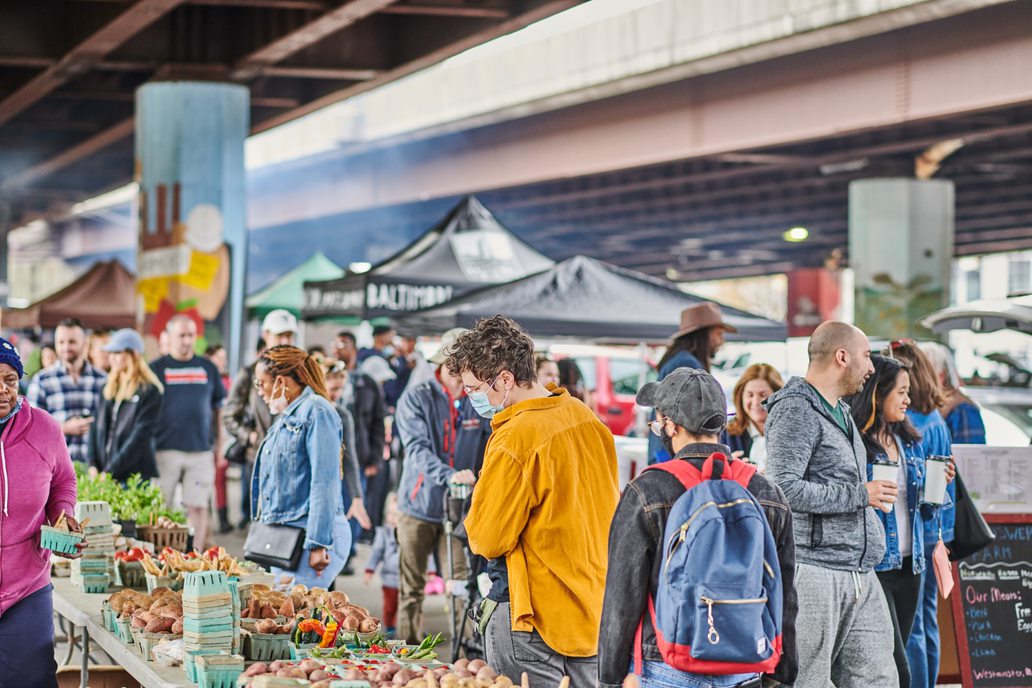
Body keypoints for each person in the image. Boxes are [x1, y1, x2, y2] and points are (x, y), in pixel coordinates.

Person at [598, 367, 798, 688]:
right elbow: (784, 593)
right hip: (745, 666)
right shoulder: (766, 492)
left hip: (665, 665)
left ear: (671, 426)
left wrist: (609, 678)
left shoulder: (646, 490)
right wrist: (782, 677)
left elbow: (621, 596)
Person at [447, 316, 619, 685]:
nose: (471, 398)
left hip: (531, 618)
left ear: (505, 379)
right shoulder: (588, 420)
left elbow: (487, 538)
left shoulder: (515, 438)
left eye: (474, 388)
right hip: (592, 610)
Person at [765, 321, 897, 688]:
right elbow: (783, 489)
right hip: (814, 572)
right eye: (867, 356)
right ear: (842, 357)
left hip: (859, 570)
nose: (872, 368)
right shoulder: (796, 409)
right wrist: (860, 494)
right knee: (808, 680)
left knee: (879, 678)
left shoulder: (840, 411)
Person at [844, 354, 954, 688]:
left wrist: (940, 487)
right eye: (901, 392)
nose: (908, 399)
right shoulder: (857, 444)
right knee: (898, 666)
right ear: (878, 394)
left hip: (912, 565)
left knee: (901, 651)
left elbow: (924, 512)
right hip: (877, 566)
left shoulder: (909, 441)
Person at [393, 327, 491, 643]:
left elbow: (489, 447)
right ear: (449, 364)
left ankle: (465, 655)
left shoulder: (479, 400)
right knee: (411, 588)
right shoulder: (416, 397)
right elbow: (417, 449)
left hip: (461, 511)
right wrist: (447, 474)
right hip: (418, 506)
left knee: (461, 586)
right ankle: (406, 655)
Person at [0, 336, 85, 688]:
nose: (3, 389)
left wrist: (63, 518)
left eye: (10, 380)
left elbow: (64, 480)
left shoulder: (45, 428)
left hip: (27, 586)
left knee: (31, 680)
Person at [251, 345, 349, 588]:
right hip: (286, 538)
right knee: (286, 618)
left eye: (261, 383)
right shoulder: (286, 417)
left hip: (308, 538)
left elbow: (324, 481)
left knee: (301, 620)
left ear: (281, 382)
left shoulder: (316, 411)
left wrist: (318, 543)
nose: (259, 391)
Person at [888, 340, 955, 688]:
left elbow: (924, 489)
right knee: (927, 621)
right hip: (939, 531)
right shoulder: (936, 420)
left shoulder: (910, 424)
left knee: (912, 627)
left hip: (919, 531)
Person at [151, 315, 227, 551]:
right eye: (181, 335)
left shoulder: (208, 368)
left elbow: (218, 410)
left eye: (190, 336)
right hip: (164, 450)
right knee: (159, 508)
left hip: (200, 451)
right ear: (169, 337)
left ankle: (196, 558)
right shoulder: (156, 369)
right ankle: (160, 559)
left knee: (198, 506)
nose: (186, 341)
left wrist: (220, 445)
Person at [224, 309, 298, 530]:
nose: (284, 341)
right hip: (257, 459)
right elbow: (230, 415)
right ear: (266, 335)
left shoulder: (300, 376)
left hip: (291, 462)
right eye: (279, 335)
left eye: (289, 336)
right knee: (259, 525)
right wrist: (251, 436)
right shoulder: (248, 374)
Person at [649, 303, 737, 464]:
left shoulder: (678, 359)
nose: (721, 341)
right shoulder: (687, 364)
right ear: (703, 334)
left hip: (667, 454)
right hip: (677, 457)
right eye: (718, 334)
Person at [27, 318, 107, 464]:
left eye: (72, 342)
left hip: (96, 471)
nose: (66, 347)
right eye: (61, 342)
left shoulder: (103, 380)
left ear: (85, 343)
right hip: (55, 469)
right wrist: (63, 428)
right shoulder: (42, 380)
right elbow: (31, 427)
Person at [87, 329, 163, 482]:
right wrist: (92, 464)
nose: (112, 358)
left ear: (133, 355)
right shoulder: (106, 388)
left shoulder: (149, 390)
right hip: (104, 473)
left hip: (134, 477)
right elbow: (95, 427)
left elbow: (140, 437)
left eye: (117, 353)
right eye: (111, 353)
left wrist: (110, 471)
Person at [333, 331, 388, 542]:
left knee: (355, 504)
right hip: (332, 459)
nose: (338, 348)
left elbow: (377, 423)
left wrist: (375, 457)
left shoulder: (367, 383)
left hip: (359, 458)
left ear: (354, 349)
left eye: (343, 344)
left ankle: (349, 549)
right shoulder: (323, 380)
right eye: (335, 344)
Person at [321, 358, 372, 534]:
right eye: (334, 388)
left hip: (335, 483)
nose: (338, 393)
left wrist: (357, 496)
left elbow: (350, 458)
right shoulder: (307, 411)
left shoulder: (343, 415)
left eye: (341, 388)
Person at [919, 342, 986, 444]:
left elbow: (969, 457)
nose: (916, 382)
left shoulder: (963, 410)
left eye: (922, 376)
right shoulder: (928, 406)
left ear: (941, 376)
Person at [724, 363, 784, 471]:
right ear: (740, 397)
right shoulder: (726, 434)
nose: (756, 402)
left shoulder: (793, 433)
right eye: (750, 395)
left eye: (763, 395)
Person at [205, 343, 233, 534]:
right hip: (205, 439)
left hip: (221, 436)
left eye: (224, 358)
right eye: (219, 358)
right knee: (206, 481)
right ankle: (207, 520)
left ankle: (223, 519)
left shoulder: (227, 381)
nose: (223, 362)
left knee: (220, 479)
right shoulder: (206, 380)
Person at [365, 495, 402, 636]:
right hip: (389, 579)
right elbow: (376, 553)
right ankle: (390, 628)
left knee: (411, 604)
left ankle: (413, 627)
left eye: (396, 515)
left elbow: (423, 554)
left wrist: (430, 571)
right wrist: (370, 570)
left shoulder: (409, 533)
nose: (392, 518)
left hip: (406, 578)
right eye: (390, 514)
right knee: (390, 606)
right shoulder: (383, 533)